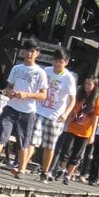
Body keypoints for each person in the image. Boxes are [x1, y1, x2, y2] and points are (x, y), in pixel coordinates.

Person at [0, 38, 48, 174]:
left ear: (37, 53)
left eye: (32, 51)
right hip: (11, 107)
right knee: (1, 133)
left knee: (23, 141)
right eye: (27, 51)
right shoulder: (16, 68)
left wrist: (26, 95)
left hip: (27, 111)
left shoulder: (40, 73)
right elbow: (9, 86)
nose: (29, 54)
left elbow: (43, 95)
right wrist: (10, 92)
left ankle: (21, 169)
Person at [31, 46, 76, 180]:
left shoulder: (68, 78)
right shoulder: (46, 71)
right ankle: (21, 167)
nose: (57, 64)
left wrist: (66, 114)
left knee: (49, 145)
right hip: (40, 110)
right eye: (55, 60)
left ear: (66, 62)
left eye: (60, 61)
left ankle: (45, 171)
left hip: (55, 114)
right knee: (33, 139)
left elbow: (72, 100)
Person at [51, 73, 99, 184]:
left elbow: (96, 117)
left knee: (77, 154)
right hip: (72, 126)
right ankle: (62, 169)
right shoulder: (79, 95)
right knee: (66, 149)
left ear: (94, 86)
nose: (87, 86)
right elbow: (72, 108)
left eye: (90, 84)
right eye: (86, 84)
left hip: (85, 131)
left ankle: (68, 175)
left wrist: (93, 134)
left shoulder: (97, 99)